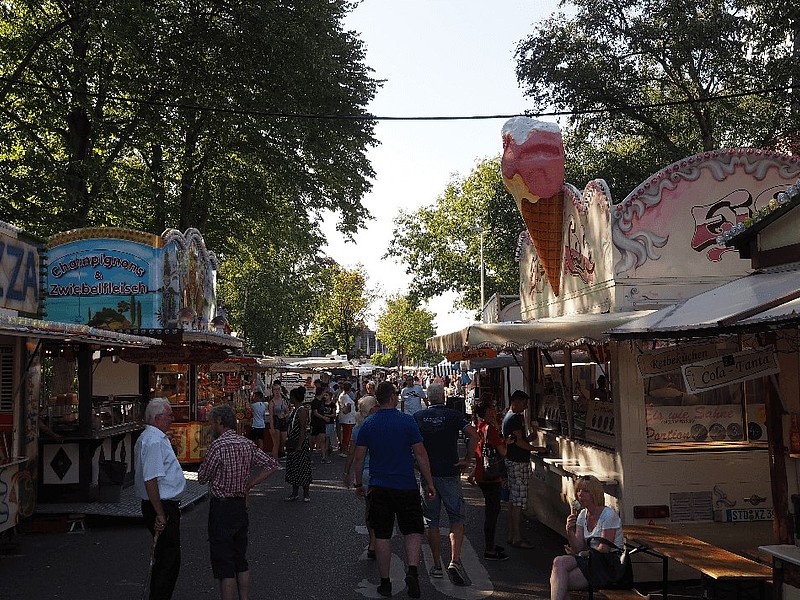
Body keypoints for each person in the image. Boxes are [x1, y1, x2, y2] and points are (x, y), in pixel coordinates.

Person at [353, 381, 436, 599]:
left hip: (379, 487)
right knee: (412, 530)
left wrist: (357, 483)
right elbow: (420, 453)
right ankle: (412, 570)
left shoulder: (368, 424)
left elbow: (359, 457)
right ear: (392, 397)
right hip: (405, 485)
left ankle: (385, 582)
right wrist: (429, 482)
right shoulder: (407, 422)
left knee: (382, 535)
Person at [198, 404, 279, 600]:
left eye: (212, 423)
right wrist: (250, 484)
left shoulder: (218, 446)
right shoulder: (246, 444)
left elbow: (202, 476)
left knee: (225, 563)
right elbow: (272, 464)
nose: (211, 427)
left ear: (219, 422)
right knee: (240, 559)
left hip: (222, 507)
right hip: (240, 505)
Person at [414, 383, 478, 585]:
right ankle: (454, 560)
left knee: (431, 520)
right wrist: (468, 459)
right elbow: (474, 434)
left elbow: (411, 443)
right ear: (443, 396)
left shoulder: (419, 417)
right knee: (456, 517)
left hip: (428, 475)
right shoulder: (453, 415)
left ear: (428, 399)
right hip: (450, 472)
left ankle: (436, 564)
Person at [134, 397, 186, 600]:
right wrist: (160, 513)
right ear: (158, 418)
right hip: (162, 505)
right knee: (168, 559)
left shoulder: (151, 438)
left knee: (166, 557)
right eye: (169, 415)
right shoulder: (154, 440)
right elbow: (151, 480)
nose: (172, 419)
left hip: (161, 504)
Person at [550, 476, 624, 600]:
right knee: (559, 562)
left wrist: (582, 554)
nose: (580, 494)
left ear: (595, 493)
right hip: (591, 559)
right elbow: (577, 546)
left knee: (559, 581)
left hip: (608, 563)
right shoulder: (583, 514)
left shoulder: (608, 515)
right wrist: (569, 530)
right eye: (578, 490)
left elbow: (604, 549)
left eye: (585, 491)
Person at [502, 389, 547, 548]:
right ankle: (517, 537)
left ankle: (511, 534)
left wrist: (532, 437)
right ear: (517, 402)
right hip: (518, 462)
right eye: (524, 403)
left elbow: (518, 440)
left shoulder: (509, 417)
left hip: (513, 460)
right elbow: (519, 442)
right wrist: (536, 449)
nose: (526, 407)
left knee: (514, 500)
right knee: (518, 501)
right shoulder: (514, 418)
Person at [343, 394, 380, 559]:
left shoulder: (358, 428)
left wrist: (347, 473)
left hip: (364, 474)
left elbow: (352, 454)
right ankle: (378, 539)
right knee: (382, 508)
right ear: (372, 409)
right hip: (380, 472)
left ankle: (372, 540)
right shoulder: (380, 426)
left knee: (369, 508)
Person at [474, 402, 509, 561]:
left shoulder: (479, 426)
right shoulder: (491, 429)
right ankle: (490, 549)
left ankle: (491, 544)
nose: (495, 409)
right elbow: (502, 451)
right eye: (492, 407)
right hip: (491, 476)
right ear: (488, 411)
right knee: (492, 512)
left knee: (493, 510)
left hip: (482, 472)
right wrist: (505, 442)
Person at [284, 386, 312, 501]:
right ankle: (294, 492)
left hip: (299, 442)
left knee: (302, 467)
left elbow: (302, 429)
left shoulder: (302, 410)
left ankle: (306, 493)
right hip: (292, 441)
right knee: (293, 467)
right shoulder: (295, 410)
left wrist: (300, 444)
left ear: (295, 398)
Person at [268, 382, 289, 459]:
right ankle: (275, 461)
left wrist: (284, 415)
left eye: (278, 389)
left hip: (283, 421)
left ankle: (281, 454)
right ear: (273, 391)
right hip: (276, 421)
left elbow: (288, 411)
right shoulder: (272, 402)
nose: (277, 391)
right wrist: (272, 427)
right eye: (275, 390)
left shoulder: (284, 401)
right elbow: (270, 416)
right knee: (276, 443)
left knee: (283, 440)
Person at [310, 386, 329, 461]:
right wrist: (324, 417)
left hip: (321, 423)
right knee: (313, 440)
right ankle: (310, 454)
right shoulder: (315, 402)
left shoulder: (322, 401)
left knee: (322, 439)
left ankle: (323, 457)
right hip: (315, 423)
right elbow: (315, 413)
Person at [338, 381, 356, 457]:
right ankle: (345, 451)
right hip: (348, 419)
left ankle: (344, 450)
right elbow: (346, 409)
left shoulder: (341, 395)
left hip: (344, 419)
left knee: (345, 435)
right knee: (347, 436)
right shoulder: (346, 397)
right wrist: (348, 409)